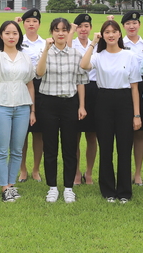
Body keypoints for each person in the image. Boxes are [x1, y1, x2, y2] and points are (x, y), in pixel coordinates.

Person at [80, 20, 142, 203]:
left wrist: (136, 114)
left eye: (114, 31)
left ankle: (124, 191)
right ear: (103, 35)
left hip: (124, 102)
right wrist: (93, 43)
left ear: (120, 34)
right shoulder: (98, 56)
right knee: (105, 148)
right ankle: (108, 190)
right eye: (107, 32)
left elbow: (134, 88)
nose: (111, 35)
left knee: (124, 148)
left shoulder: (129, 56)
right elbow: (83, 65)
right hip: (104, 101)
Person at [36, 17, 89, 203]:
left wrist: (81, 106)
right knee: (50, 147)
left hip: (69, 103)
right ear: (51, 32)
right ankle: (52, 187)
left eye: (64, 30)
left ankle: (68, 187)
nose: (60, 33)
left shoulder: (75, 54)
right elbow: (39, 73)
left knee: (69, 147)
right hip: (48, 103)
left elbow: (81, 81)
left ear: (68, 32)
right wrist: (45, 50)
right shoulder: (45, 53)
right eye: (56, 29)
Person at [0, 21, 36, 202]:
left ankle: (11, 184)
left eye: (15, 33)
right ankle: (4, 186)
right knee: (2, 150)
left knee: (17, 150)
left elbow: (30, 83)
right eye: (7, 33)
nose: (11, 36)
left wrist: (32, 110)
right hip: (1, 104)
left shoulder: (25, 57)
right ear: (2, 36)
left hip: (22, 105)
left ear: (19, 36)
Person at [121, 11, 143, 186]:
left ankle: (138, 173)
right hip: (123, 88)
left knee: (139, 133)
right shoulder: (119, 43)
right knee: (124, 134)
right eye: (128, 23)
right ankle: (124, 172)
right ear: (123, 27)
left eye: (135, 23)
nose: (132, 26)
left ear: (139, 25)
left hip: (142, 88)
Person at [68, 14, 98, 185]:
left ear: (90, 28)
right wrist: (71, 31)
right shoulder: (73, 43)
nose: (83, 29)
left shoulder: (98, 44)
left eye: (86, 26)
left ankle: (89, 172)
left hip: (94, 88)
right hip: (76, 88)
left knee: (92, 135)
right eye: (80, 26)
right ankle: (77, 171)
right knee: (76, 135)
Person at [15, 8, 44, 183]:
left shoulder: (45, 43)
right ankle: (23, 169)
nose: (31, 24)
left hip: (41, 87)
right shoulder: (18, 40)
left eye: (34, 21)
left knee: (39, 132)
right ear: (24, 24)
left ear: (39, 24)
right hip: (20, 86)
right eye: (28, 22)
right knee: (22, 132)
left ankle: (36, 169)